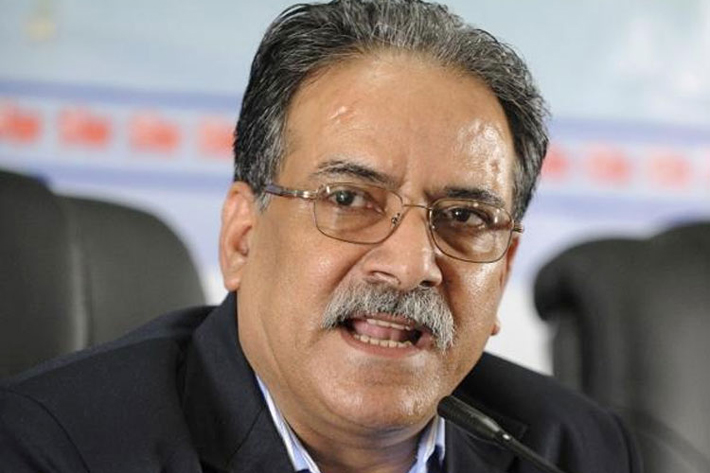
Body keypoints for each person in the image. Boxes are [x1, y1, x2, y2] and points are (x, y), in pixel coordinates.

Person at [0, 1, 641, 472]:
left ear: (501, 271)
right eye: (349, 199)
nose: (411, 265)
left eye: (465, 218)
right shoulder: (54, 450)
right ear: (243, 238)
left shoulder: (576, 450)